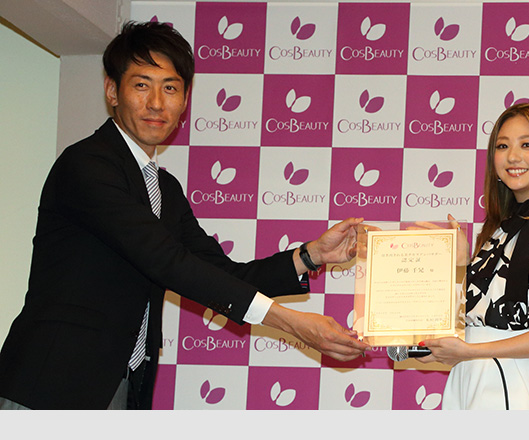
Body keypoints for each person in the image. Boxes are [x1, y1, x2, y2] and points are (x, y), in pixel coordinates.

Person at [0, 21, 369, 410]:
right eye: (142, 85)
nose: (156, 103)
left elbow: (219, 272)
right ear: (112, 90)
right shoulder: (87, 165)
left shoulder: (165, 188)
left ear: (185, 98)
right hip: (48, 385)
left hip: (121, 386)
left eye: (170, 88)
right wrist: (289, 321)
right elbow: (166, 261)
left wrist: (310, 255)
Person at [416, 103, 529, 410]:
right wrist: (460, 265)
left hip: (507, 380)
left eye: (527, 145)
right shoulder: (500, 227)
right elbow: (476, 317)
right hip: (469, 376)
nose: (513, 156)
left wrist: (468, 352)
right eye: (502, 146)